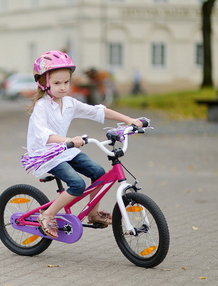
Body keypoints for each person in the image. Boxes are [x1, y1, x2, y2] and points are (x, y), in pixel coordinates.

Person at [27, 50, 143, 238]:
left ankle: (93, 213)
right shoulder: (41, 107)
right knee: (77, 184)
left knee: (98, 174)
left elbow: (98, 112)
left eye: (66, 82)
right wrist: (69, 140)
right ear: (43, 83)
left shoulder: (70, 103)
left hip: (66, 150)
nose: (63, 87)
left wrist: (129, 120)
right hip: (45, 153)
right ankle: (47, 214)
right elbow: (44, 135)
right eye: (57, 83)